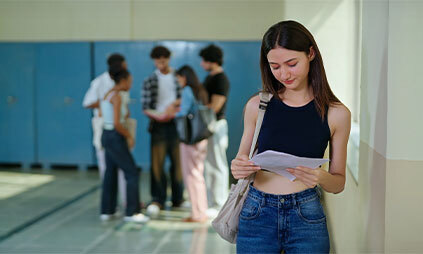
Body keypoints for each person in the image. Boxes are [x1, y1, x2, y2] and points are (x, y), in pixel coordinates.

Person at [231, 20, 351, 253]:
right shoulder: (258, 105)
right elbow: (239, 163)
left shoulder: (337, 114)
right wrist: (238, 167)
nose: (283, 73)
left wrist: (319, 176)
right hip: (257, 212)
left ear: (311, 54)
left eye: (291, 63)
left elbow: (338, 184)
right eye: (275, 67)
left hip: (306, 214)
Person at [100, 69, 149, 223]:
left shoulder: (108, 93)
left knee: (110, 173)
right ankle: (132, 212)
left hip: (106, 134)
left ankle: (107, 210)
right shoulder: (117, 97)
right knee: (132, 172)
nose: (130, 84)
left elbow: (108, 115)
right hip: (115, 136)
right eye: (129, 81)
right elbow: (117, 123)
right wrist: (129, 136)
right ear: (122, 81)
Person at [141, 46, 184, 216]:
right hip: (158, 124)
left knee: (178, 164)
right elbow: (145, 107)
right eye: (157, 60)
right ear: (154, 61)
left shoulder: (177, 77)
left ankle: (178, 198)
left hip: (176, 123)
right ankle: (158, 198)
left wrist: (173, 110)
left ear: (169, 58)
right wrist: (160, 116)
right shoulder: (149, 80)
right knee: (157, 165)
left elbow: (185, 97)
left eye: (164, 59)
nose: (161, 62)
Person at [82, 54, 127, 207]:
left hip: (118, 128)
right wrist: (105, 105)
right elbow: (87, 103)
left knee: (123, 168)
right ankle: (109, 205)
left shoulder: (121, 84)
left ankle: (126, 201)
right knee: (107, 169)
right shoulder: (100, 82)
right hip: (106, 129)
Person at [173, 65, 209, 222]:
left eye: (179, 78)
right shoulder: (200, 90)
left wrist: (172, 112)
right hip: (201, 138)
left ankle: (197, 214)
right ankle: (201, 210)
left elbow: (184, 112)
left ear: (184, 77)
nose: (178, 81)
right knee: (198, 174)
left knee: (190, 175)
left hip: (190, 139)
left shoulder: (187, 91)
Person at [199, 44, 230, 215]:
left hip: (216, 126)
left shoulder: (221, 79)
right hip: (208, 126)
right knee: (209, 165)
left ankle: (220, 203)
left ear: (211, 60)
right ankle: (210, 201)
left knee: (218, 164)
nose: (202, 64)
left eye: (204, 60)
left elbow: (215, 106)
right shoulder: (209, 77)